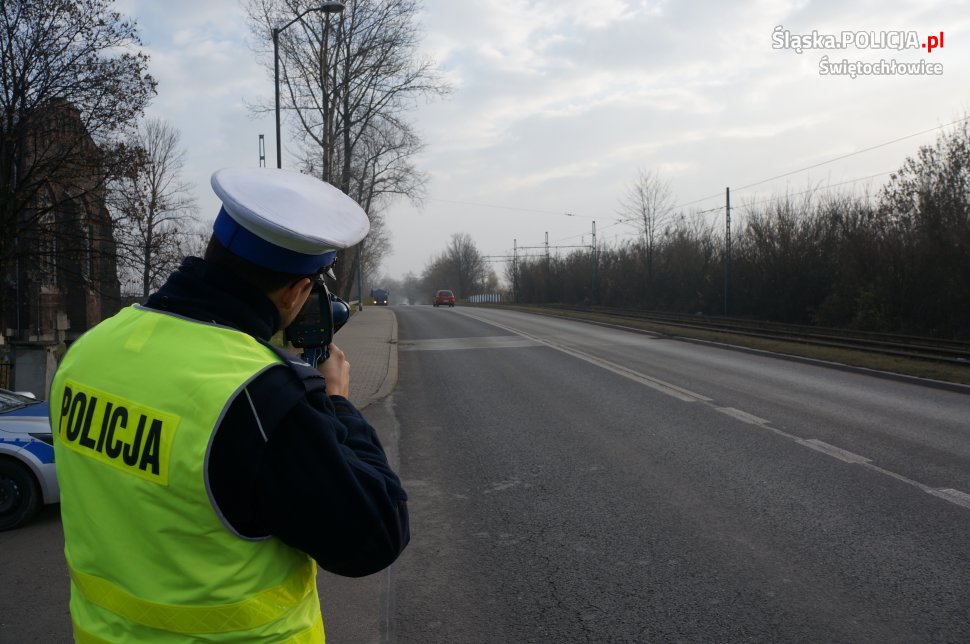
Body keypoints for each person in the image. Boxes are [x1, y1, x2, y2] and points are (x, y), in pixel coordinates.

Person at [49, 167, 409, 643]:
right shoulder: (262, 397)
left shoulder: (88, 353)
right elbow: (374, 536)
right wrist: (338, 403)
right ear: (299, 291)